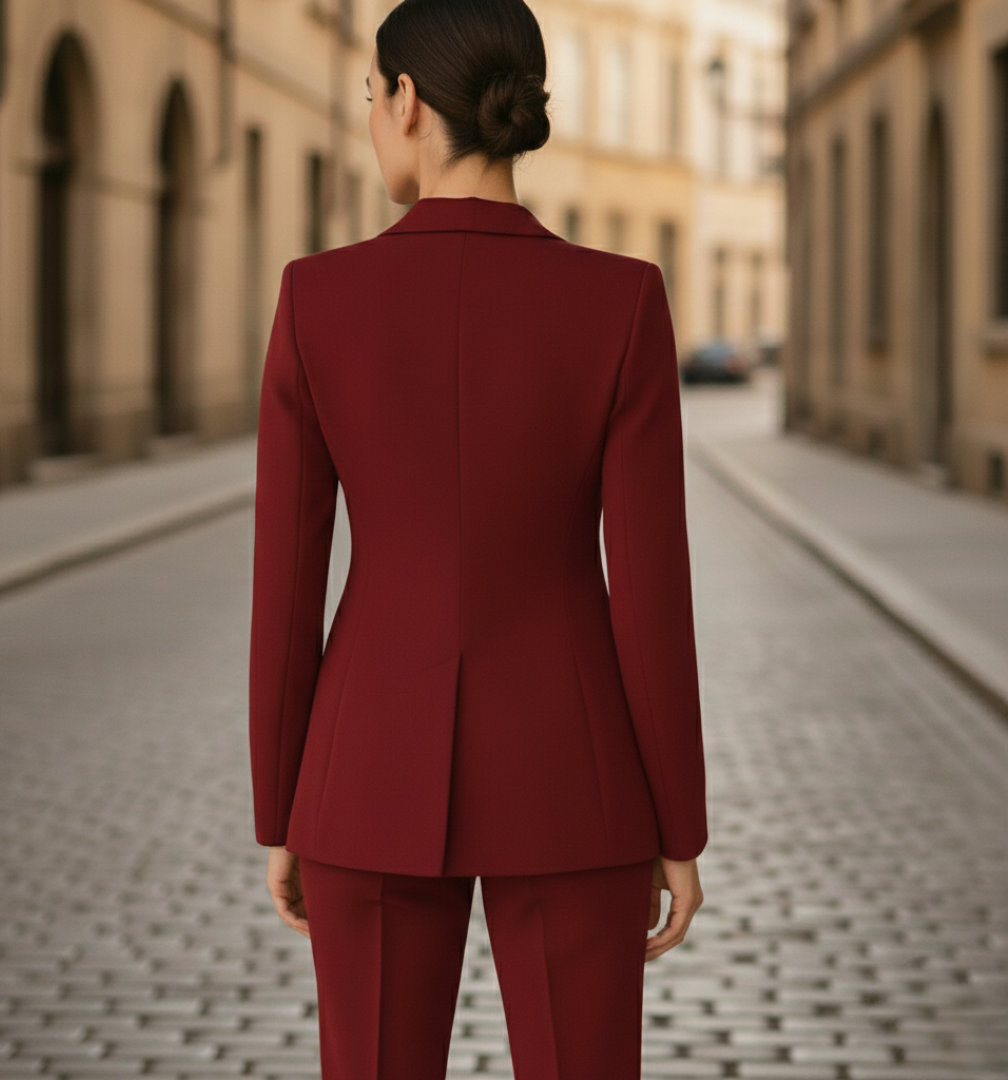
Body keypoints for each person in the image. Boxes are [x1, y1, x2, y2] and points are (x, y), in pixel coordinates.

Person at [248, 0, 708, 1075]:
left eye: (372, 96)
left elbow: (286, 585)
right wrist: (677, 822)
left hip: (363, 773)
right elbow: (650, 594)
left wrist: (282, 806)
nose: (372, 118)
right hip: (577, 777)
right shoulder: (623, 302)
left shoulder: (316, 300)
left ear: (408, 102)